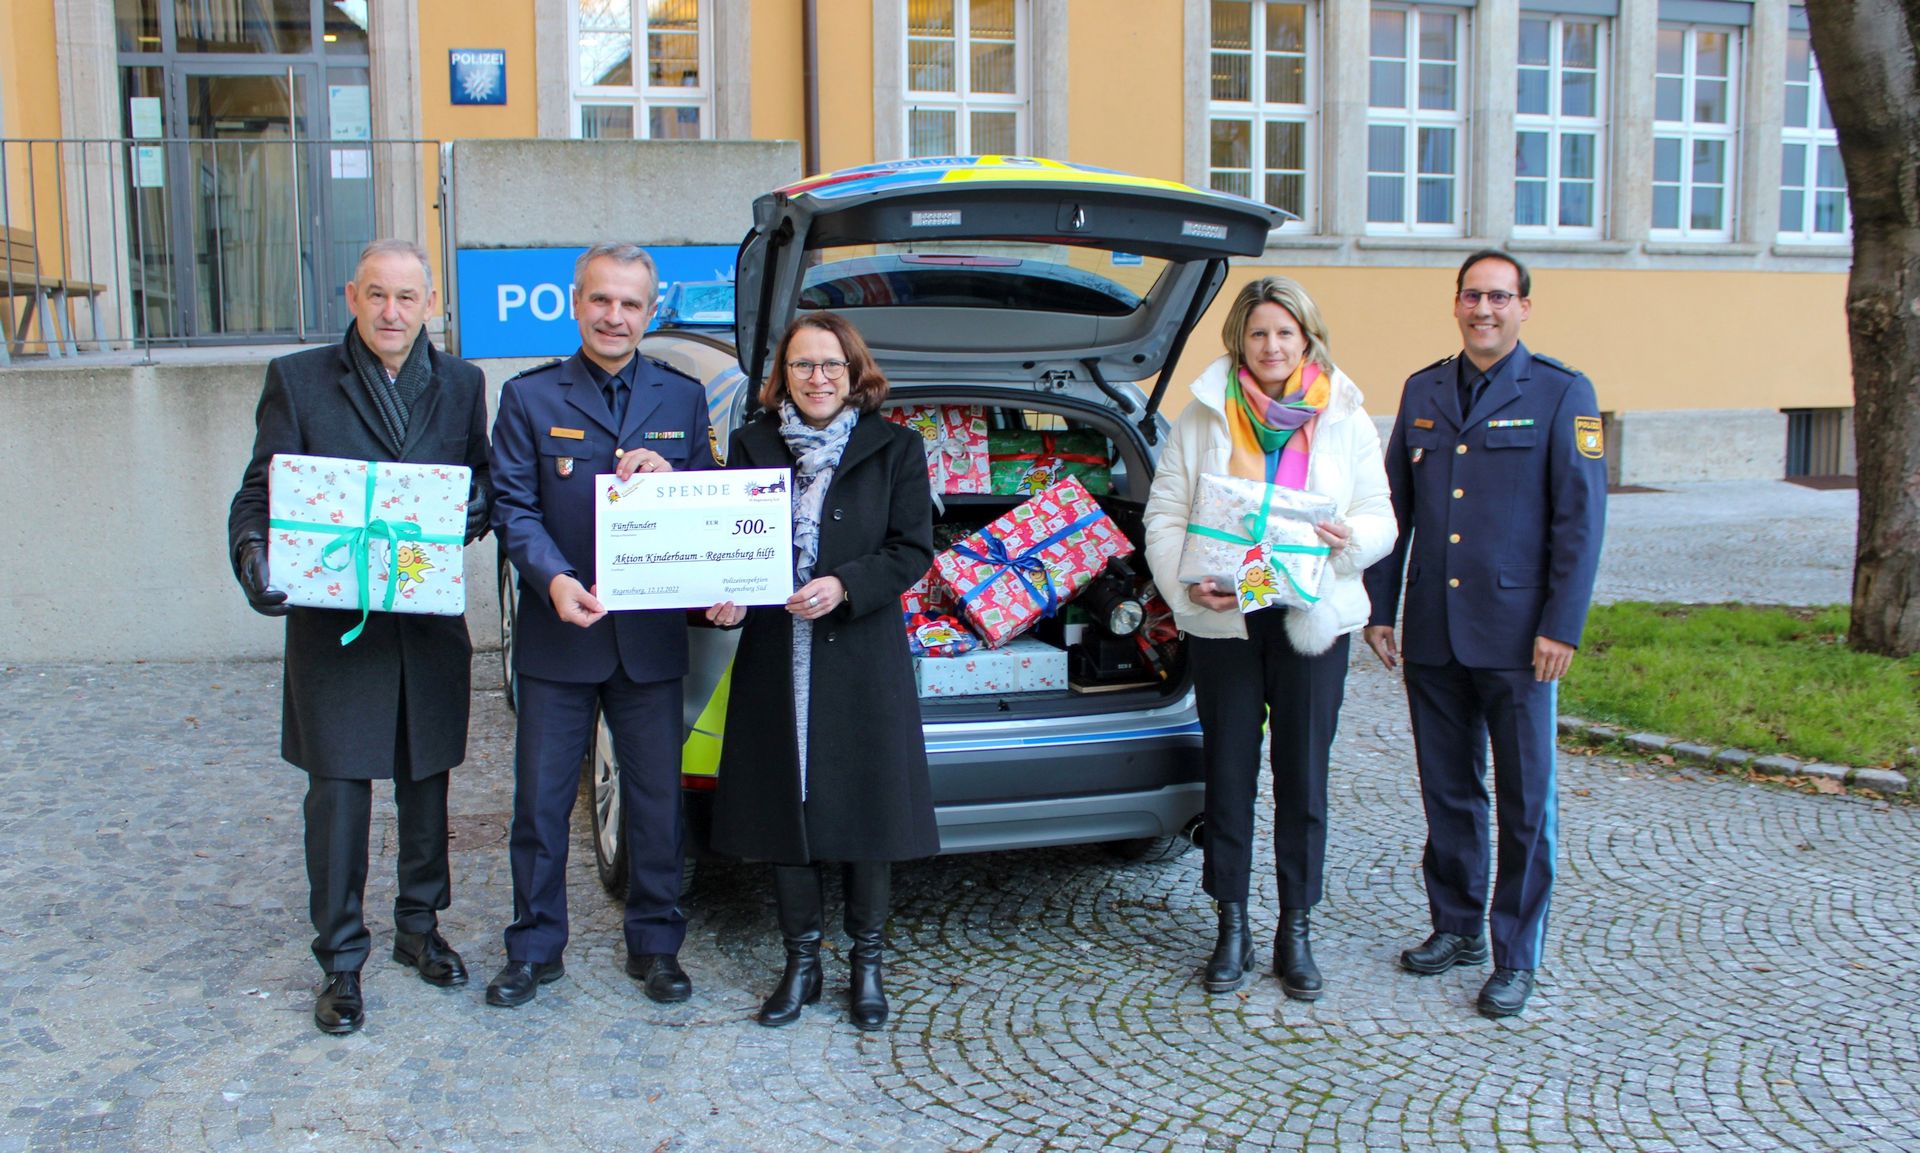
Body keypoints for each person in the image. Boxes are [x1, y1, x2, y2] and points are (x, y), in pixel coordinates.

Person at [227, 238, 492, 1035]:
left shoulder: (461, 382)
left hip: (424, 619)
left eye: (406, 298)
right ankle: (341, 959)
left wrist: (461, 520)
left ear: (430, 303)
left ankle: (420, 925)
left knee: (426, 780)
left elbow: (477, 479)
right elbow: (258, 494)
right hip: (333, 628)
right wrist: (255, 562)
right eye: (377, 295)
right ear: (352, 296)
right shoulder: (300, 378)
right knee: (338, 794)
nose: (391, 312)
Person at [1362, 249, 1607, 1018]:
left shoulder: (1565, 393)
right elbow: (1392, 509)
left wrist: (1561, 625)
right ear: (1457, 302)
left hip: (1519, 638)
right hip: (1435, 631)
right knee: (1450, 790)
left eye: (1500, 297)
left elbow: (1581, 523)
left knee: (1525, 799)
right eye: (1473, 296)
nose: (1485, 310)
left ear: (1525, 307)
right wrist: (1380, 606)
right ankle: (1457, 925)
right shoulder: (1423, 388)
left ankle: (1515, 953)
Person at [1142, 276, 1396, 999]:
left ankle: (1296, 926)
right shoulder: (1200, 414)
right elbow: (1165, 513)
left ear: (1307, 338)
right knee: (1227, 773)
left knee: (1303, 776)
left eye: (1285, 332)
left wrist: (1350, 539)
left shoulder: (1346, 415)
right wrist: (1185, 580)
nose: (1272, 345)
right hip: (1226, 617)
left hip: (1311, 616)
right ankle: (1231, 923)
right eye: (1258, 333)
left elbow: (1381, 514)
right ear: (1239, 342)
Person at [485, 242, 714, 1008]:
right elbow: (511, 507)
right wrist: (552, 578)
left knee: (657, 801)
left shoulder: (682, 398)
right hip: (562, 633)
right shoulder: (529, 397)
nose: (615, 316)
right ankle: (534, 946)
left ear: (650, 313)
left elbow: (715, 501)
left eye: (630, 304)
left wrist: (675, 479)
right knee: (541, 802)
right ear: (575, 302)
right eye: (601, 300)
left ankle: (655, 944)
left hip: (649, 638)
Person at [705, 312, 936, 1031]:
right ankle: (801, 961)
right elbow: (726, 541)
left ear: (854, 370)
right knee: (786, 805)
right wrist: (729, 596)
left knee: (866, 808)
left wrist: (844, 586)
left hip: (860, 651)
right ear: (784, 377)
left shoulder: (897, 447)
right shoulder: (751, 445)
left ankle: (866, 965)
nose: (817, 378)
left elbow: (911, 549)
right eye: (803, 366)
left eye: (830, 364)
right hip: (779, 654)